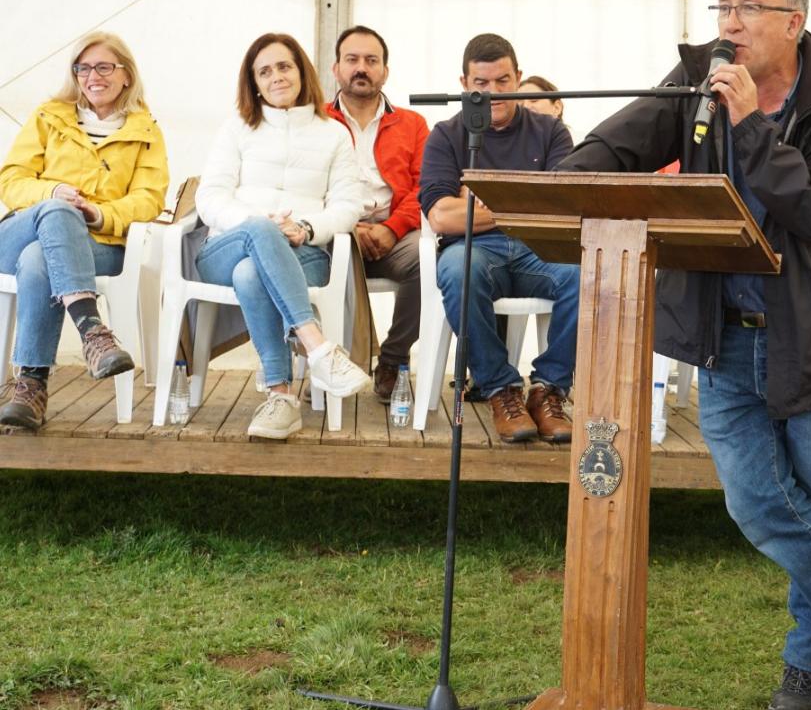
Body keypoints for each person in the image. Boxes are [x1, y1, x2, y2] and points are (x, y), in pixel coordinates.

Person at [559, 0, 811, 710]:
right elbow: (620, 140)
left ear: (792, 22)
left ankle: (806, 664)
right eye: (722, 8)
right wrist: (569, 181)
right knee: (762, 504)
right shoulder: (699, 78)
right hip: (723, 335)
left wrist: (751, 128)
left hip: (808, 338)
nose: (729, 24)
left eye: (748, 9)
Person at [196, 32, 371, 440]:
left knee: (251, 274)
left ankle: (281, 397)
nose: (276, 76)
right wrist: (259, 223)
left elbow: (347, 206)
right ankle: (319, 349)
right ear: (253, 82)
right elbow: (210, 197)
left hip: (301, 252)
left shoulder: (333, 134)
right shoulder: (237, 128)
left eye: (284, 66)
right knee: (258, 230)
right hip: (227, 245)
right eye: (264, 71)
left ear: (301, 71)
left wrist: (307, 228)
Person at [0, 32, 168, 430]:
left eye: (104, 67)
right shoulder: (48, 116)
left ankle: (31, 386)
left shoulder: (146, 131)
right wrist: (52, 193)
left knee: (40, 259)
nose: (93, 76)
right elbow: (10, 181)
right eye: (84, 68)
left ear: (126, 74)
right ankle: (93, 330)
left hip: (98, 243)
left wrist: (96, 213)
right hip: (20, 232)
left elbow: (148, 199)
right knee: (55, 214)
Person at [418, 34, 578, 443]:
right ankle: (499, 389)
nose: (493, 92)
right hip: (474, 251)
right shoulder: (446, 135)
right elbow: (440, 217)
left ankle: (549, 390)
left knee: (586, 271)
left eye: (503, 81)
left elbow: (560, 205)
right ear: (464, 84)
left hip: (537, 248)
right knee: (456, 271)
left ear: (519, 77)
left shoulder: (551, 132)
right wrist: (522, 199)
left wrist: (475, 202)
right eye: (481, 84)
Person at [327, 25, 430, 402]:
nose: (361, 68)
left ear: (385, 71)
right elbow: (306, 188)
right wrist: (346, 226)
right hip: (334, 235)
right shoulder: (317, 121)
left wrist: (392, 227)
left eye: (372, 60)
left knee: (431, 258)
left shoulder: (413, 124)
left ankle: (393, 358)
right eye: (352, 59)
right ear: (335, 68)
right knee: (300, 259)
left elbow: (427, 188)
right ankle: (325, 362)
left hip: (396, 236)